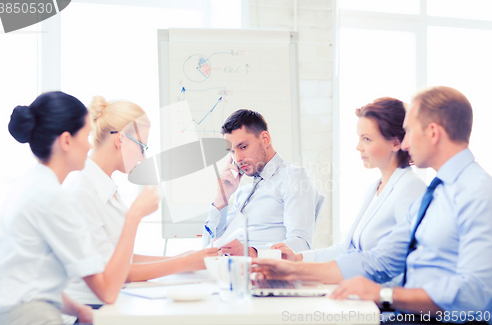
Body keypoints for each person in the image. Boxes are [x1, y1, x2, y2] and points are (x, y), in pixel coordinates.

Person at [253, 86, 492, 319]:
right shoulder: (437, 192)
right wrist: (293, 269)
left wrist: (385, 294)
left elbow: (475, 294)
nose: (405, 144)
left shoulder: (478, 193)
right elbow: (380, 260)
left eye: (408, 131)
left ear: (432, 132)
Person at [0, 91, 159, 325]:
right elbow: (108, 290)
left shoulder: (33, 184)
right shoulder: (53, 197)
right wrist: (134, 216)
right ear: (67, 141)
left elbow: (32, 278)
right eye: (87, 135)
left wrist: (77, 309)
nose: (90, 145)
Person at [63, 96, 218, 312]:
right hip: (89, 309)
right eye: (142, 146)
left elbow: (120, 257)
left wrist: (181, 257)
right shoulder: (83, 191)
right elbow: (114, 271)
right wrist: (184, 263)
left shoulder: (103, 187)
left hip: (106, 304)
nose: (143, 157)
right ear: (121, 140)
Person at [273, 98, 426, 275]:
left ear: (396, 142)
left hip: (382, 297)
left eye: (367, 139)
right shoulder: (376, 188)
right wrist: (299, 259)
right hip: (363, 290)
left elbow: (408, 263)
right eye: (359, 138)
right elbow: (350, 249)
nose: (358, 147)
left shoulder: (411, 188)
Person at [202, 109, 321, 257]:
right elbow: (208, 248)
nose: (238, 158)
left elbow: (301, 244)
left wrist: (252, 253)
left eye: (243, 147)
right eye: (232, 151)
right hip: (230, 272)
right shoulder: (243, 192)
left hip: (263, 274)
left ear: (265, 139)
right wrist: (222, 198)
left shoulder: (294, 177)